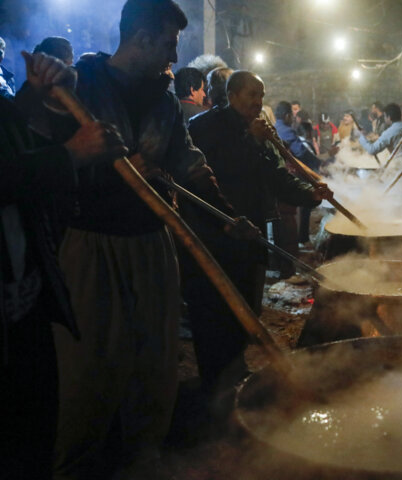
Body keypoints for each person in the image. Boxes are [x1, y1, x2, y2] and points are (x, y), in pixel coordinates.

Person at [16, 1, 245, 478]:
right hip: (90, 244)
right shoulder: (79, 85)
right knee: (88, 370)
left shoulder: (164, 100)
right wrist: (102, 168)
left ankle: (144, 458)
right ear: (141, 37)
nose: (173, 56)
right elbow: (40, 160)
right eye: (169, 42)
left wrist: (226, 213)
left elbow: (188, 160)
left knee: (155, 363)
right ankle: (77, 463)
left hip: (152, 241)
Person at [1, 53, 127, 480]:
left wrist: (34, 99)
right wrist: (70, 155)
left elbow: (13, 143)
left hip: (25, 301)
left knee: (33, 434)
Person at [186, 72, 331, 393]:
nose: (258, 102)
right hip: (215, 231)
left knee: (247, 306)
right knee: (214, 310)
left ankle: (234, 369)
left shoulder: (256, 131)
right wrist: (251, 140)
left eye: (261, 96)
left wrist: (310, 193)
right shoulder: (203, 126)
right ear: (232, 95)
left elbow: (275, 176)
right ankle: (215, 382)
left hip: (249, 232)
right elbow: (211, 171)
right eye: (251, 95)